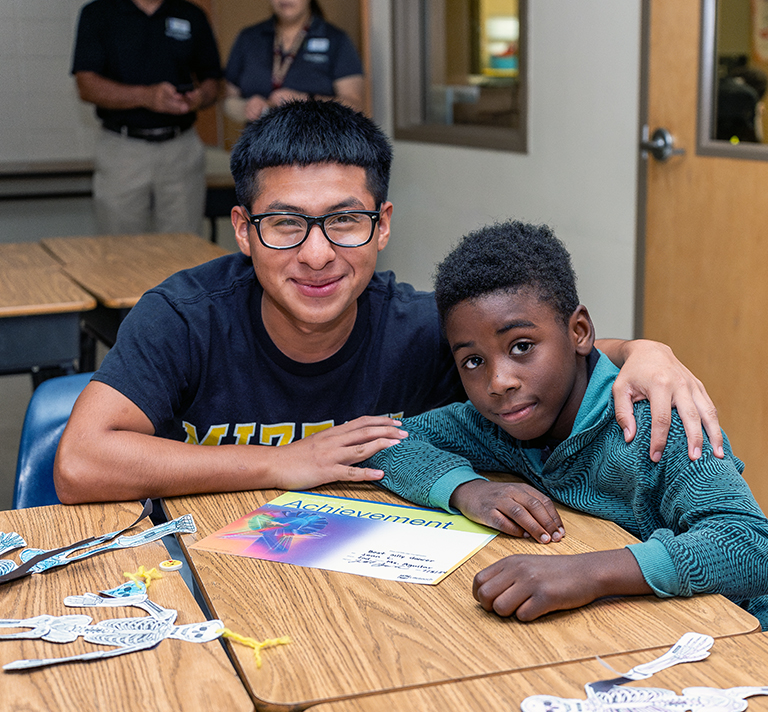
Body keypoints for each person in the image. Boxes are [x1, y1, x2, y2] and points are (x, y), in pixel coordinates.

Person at [54, 100, 723, 506]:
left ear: (383, 224)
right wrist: (283, 462)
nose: (316, 254)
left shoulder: (416, 326)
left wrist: (645, 351)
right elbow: (81, 462)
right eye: (285, 224)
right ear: (241, 230)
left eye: (344, 221)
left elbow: (538, 351)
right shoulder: (185, 315)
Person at [363, 220, 768, 631]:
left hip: (733, 646)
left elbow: (753, 547)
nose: (499, 382)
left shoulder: (657, 425)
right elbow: (381, 442)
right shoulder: (491, 423)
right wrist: (468, 490)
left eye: (522, 346)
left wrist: (585, 573)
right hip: (623, 633)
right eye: (473, 361)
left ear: (579, 331)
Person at [71, 0, 223, 235]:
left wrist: (200, 96)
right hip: (123, 149)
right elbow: (86, 86)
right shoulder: (98, 13)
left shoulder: (191, 14)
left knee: (185, 247)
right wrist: (146, 97)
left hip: (180, 148)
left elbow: (213, 79)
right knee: (120, 249)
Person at [224, 0, 364, 123]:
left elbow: (356, 106)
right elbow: (228, 100)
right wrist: (247, 107)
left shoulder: (336, 39)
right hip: (258, 145)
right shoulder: (249, 38)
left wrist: (305, 101)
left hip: (317, 146)